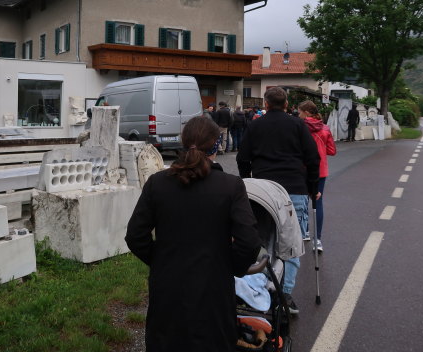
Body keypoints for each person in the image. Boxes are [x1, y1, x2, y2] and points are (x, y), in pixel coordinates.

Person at [126, 116, 262, 351]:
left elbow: (135, 236)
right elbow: (249, 242)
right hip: (214, 286)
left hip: (167, 284)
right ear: (216, 145)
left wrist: (160, 260)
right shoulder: (230, 186)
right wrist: (230, 266)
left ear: (183, 142)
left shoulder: (157, 183)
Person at [236, 87, 320, 315]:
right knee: (291, 245)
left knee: (262, 242)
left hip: (263, 192)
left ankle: (262, 290)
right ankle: (285, 296)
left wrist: (248, 184)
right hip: (294, 189)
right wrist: (312, 187)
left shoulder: (255, 125)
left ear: (265, 103)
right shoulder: (297, 125)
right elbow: (313, 157)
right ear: (286, 104)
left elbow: (242, 157)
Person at [298, 100, 336, 252]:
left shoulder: (300, 128)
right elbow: (332, 151)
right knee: (317, 203)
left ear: (306, 113)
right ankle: (318, 240)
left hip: (302, 169)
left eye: (300, 112)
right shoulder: (325, 128)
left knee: (302, 201)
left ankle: (305, 231)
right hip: (320, 171)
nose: (298, 115)